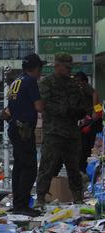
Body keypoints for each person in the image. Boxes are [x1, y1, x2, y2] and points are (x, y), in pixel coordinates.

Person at [35, 53, 92, 208]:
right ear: (57, 65)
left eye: (70, 67)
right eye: (66, 67)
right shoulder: (47, 83)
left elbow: (83, 107)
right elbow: (43, 105)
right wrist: (64, 110)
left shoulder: (74, 84)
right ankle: (40, 198)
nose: (69, 70)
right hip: (53, 132)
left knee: (74, 168)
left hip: (72, 132)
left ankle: (78, 198)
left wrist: (79, 111)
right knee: (47, 166)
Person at [3, 53, 45, 217]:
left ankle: (17, 204)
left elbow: (9, 108)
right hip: (24, 130)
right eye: (40, 69)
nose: (40, 73)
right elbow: (39, 106)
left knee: (19, 168)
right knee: (29, 168)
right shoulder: (30, 82)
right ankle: (22, 205)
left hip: (14, 127)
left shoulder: (17, 81)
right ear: (35, 68)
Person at [76, 72, 102, 173]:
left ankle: (89, 170)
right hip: (87, 120)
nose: (77, 83)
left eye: (79, 81)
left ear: (84, 81)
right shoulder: (78, 91)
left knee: (90, 147)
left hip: (92, 121)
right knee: (85, 147)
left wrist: (94, 111)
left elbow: (95, 94)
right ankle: (85, 169)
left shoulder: (85, 87)